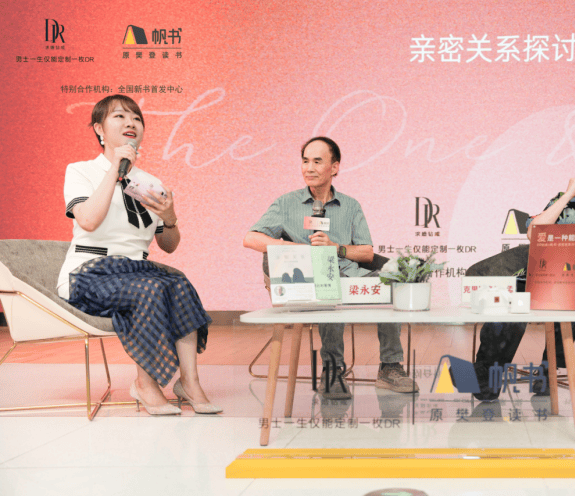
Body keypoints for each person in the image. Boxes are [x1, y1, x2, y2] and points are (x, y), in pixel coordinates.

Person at [57, 95, 220, 415]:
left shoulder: (149, 182)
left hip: (134, 271)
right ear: (99, 129)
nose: (131, 123)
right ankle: (145, 384)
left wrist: (170, 218)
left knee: (180, 284)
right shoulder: (81, 171)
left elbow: (169, 245)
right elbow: (88, 220)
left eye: (136, 118)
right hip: (89, 273)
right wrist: (115, 170)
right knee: (151, 288)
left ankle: (189, 382)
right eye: (119, 116)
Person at [243, 136, 418, 399]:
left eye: (317, 161)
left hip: (351, 275)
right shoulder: (286, 203)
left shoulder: (350, 205)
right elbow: (251, 238)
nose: (309, 168)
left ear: (334, 167)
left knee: (394, 283)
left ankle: (390, 367)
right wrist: (297, 249)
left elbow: (367, 252)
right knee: (328, 282)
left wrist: (335, 247)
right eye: (305, 161)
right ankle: (332, 370)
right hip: (312, 279)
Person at [469, 143, 575, 401]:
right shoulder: (561, 200)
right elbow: (533, 233)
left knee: (572, 284)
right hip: (541, 273)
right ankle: (486, 376)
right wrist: (568, 195)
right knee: (510, 298)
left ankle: (549, 370)